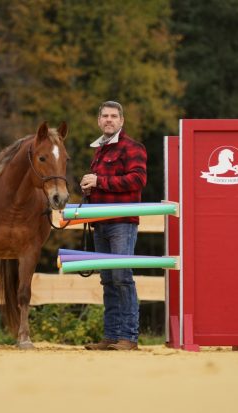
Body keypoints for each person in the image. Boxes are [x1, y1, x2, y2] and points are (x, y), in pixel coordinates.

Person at [80, 101, 147, 351]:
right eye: (105, 116)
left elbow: (138, 179)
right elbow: (105, 182)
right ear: (99, 121)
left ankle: (128, 337)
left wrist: (100, 181)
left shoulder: (133, 147)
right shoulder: (99, 150)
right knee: (107, 279)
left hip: (122, 223)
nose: (109, 120)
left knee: (122, 277)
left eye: (114, 116)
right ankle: (111, 335)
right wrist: (90, 186)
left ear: (121, 121)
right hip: (101, 222)